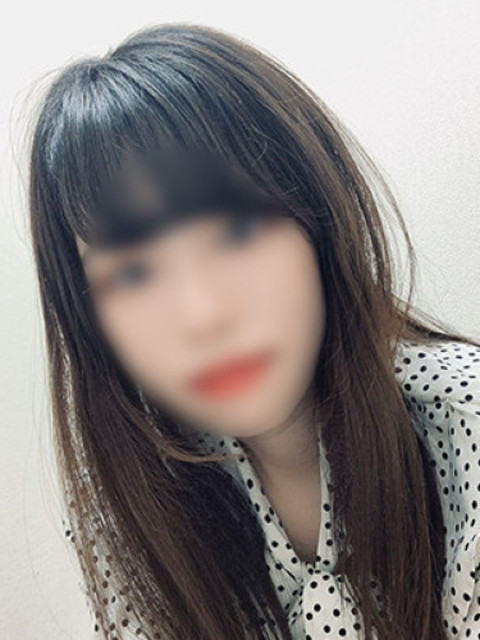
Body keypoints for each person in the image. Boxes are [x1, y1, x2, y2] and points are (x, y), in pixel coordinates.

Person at [27, 22, 480, 640]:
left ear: (320, 220)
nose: (203, 314)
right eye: (132, 272)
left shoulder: (465, 427)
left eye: (238, 232)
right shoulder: (124, 514)